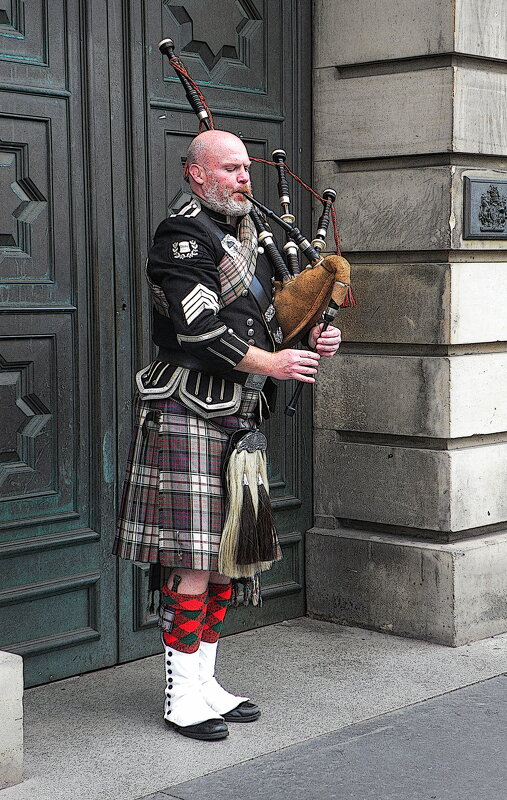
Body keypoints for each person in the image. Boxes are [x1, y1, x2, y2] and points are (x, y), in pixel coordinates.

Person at [113, 129, 341, 741]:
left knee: (225, 559)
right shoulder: (181, 237)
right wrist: (273, 365)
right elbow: (200, 332)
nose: (245, 177)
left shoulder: (253, 241)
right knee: (190, 557)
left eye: (246, 168)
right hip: (188, 411)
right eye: (231, 168)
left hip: (238, 418)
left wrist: (313, 336)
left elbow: (276, 321)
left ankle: (206, 682)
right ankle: (180, 695)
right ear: (196, 175)